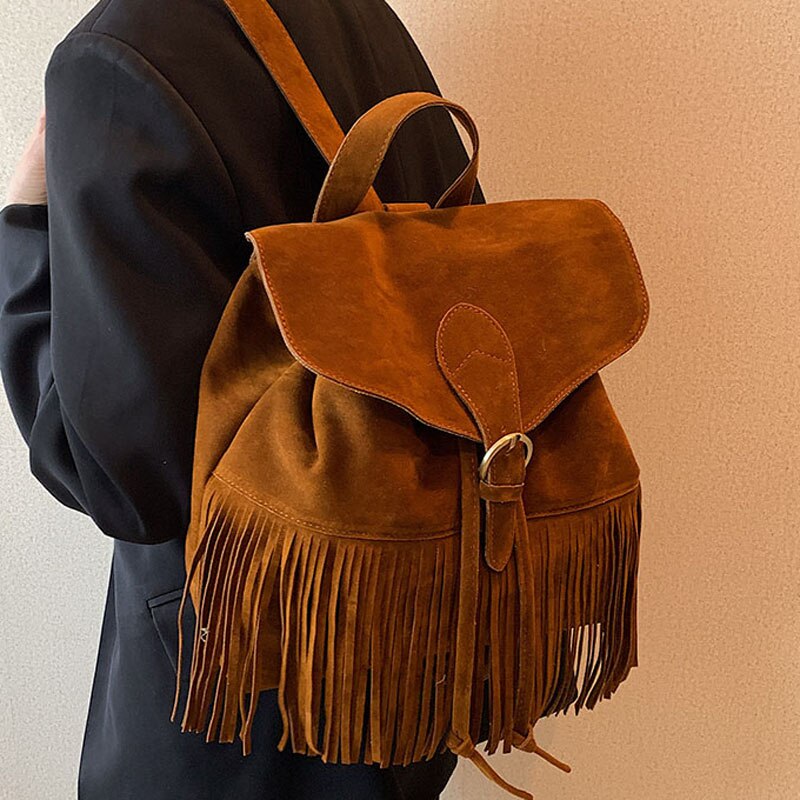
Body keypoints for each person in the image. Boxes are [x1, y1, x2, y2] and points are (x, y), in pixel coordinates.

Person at [0, 1, 484, 798]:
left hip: (238, 710)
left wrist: (25, 224)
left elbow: (128, 480)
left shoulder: (115, 54)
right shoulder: (360, 16)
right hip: (410, 639)